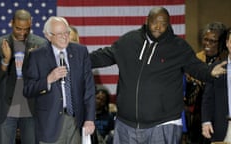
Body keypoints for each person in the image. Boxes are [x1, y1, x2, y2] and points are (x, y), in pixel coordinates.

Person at [89, 7, 227, 144]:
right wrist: (77, 61)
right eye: (155, 22)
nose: (158, 27)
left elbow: (196, 66)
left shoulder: (178, 46)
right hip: (126, 125)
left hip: (163, 125)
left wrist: (210, 72)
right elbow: (105, 55)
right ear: (147, 20)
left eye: (163, 24)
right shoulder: (129, 41)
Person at [22, 16, 96, 144]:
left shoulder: (80, 52)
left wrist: (89, 119)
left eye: (66, 32)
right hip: (50, 124)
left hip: (76, 122)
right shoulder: (36, 56)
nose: (64, 37)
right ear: (48, 36)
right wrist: (48, 80)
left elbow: (89, 88)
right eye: (59, 34)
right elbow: (28, 90)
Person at [0, 9, 47, 144]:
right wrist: (6, 59)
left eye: (26, 29)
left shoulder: (41, 44)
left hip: (31, 107)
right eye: (18, 29)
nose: (22, 33)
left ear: (31, 24)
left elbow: (43, 78)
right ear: (11, 23)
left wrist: (34, 61)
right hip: (6, 107)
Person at [185, 22, 227, 143]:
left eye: (213, 41)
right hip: (196, 118)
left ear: (221, 43)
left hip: (218, 118)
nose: (207, 44)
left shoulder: (223, 63)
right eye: (205, 39)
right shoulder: (195, 60)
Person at [201, 28, 231, 143]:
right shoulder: (217, 68)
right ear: (227, 43)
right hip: (221, 126)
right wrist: (206, 121)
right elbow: (207, 98)